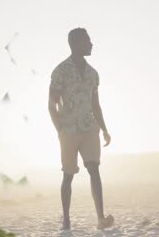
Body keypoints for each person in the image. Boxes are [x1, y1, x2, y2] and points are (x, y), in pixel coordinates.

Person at [48, 28, 114, 230]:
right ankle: (66, 221)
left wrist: (104, 129)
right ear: (75, 44)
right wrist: (60, 129)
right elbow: (51, 105)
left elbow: (96, 105)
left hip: (89, 129)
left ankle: (101, 218)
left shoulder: (94, 74)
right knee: (68, 175)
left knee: (94, 169)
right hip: (68, 130)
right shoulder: (60, 71)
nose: (92, 44)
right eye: (87, 41)